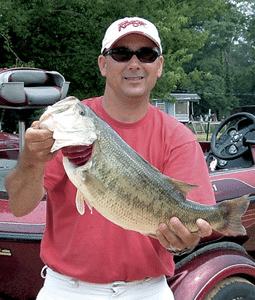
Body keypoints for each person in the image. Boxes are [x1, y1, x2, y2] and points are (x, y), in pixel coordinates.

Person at [5, 17, 215, 299]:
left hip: (147, 290)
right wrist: (31, 158)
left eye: (147, 54)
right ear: (103, 64)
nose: (134, 63)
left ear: (160, 66)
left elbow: (192, 231)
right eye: (121, 54)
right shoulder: (71, 125)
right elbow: (18, 206)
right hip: (68, 290)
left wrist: (183, 242)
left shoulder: (179, 138)